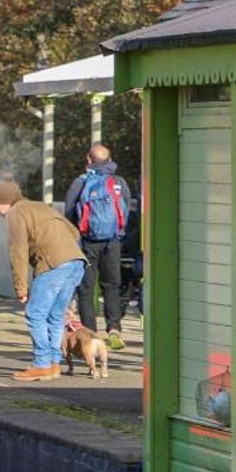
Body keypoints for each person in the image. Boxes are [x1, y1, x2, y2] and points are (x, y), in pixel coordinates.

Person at [0, 179, 83, 381]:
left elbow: (18, 252)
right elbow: (74, 232)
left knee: (35, 313)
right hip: (76, 262)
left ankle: (42, 364)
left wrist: (21, 288)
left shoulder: (15, 213)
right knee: (55, 315)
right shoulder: (41, 206)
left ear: (3, 202)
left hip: (53, 264)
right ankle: (53, 364)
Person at [61, 144, 133, 350]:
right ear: (110, 160)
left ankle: (90, 334)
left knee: (86, 289)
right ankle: (114, 328)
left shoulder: (81, 182)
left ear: (88, 159)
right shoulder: (119, 183)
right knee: (111, 286)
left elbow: (68, 212)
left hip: (87, 242)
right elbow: (127, 210)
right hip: (112, 241)